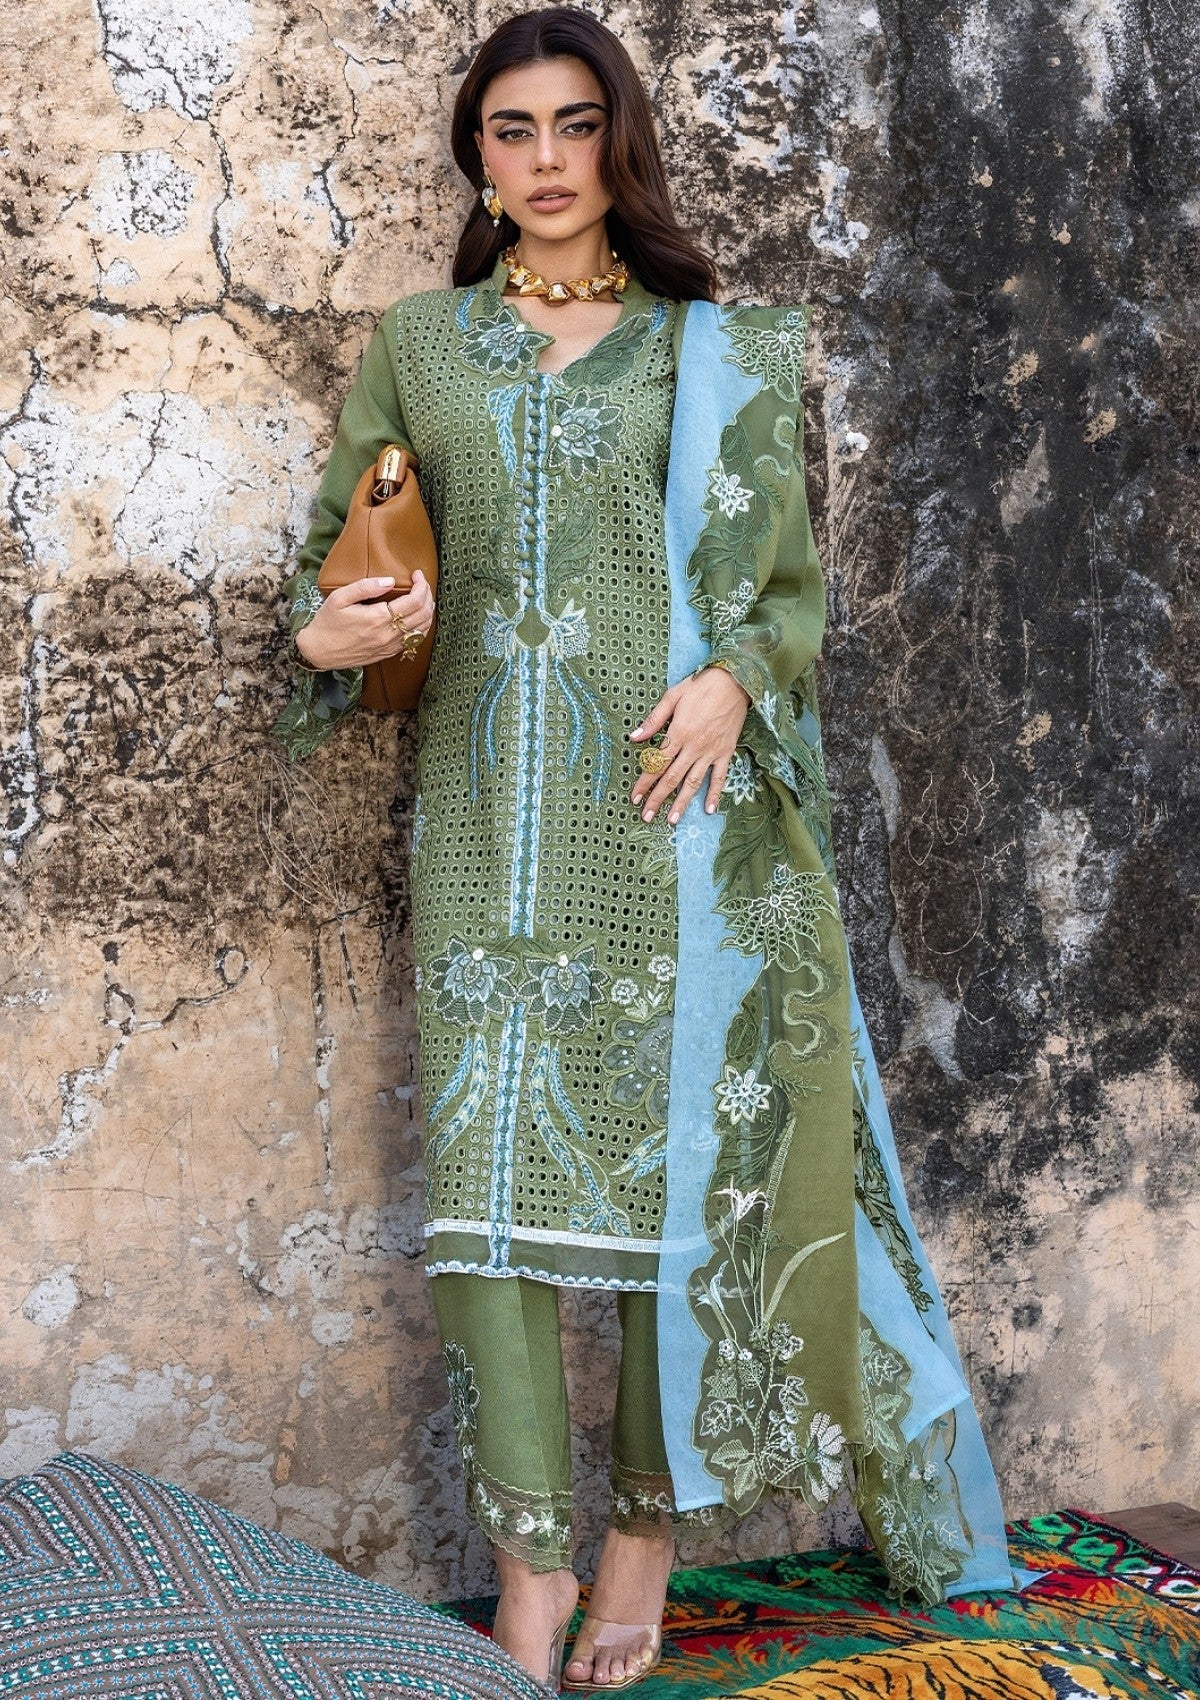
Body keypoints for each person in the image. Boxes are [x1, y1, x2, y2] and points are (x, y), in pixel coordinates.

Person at [273, 8, 1017, 1689]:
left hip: (667, 823)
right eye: (512, 129)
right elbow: (339, 561)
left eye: (574, 124)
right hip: (484, 825)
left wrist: (737, 683)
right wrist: (329, 633)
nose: (546, 160)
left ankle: (640, 1540)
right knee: (493, 1210)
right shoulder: (420, 346)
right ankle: (529, 1566)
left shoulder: (710, 350)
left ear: (620, 144)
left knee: (678, 1194)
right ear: (478, 156)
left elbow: (784, 598)